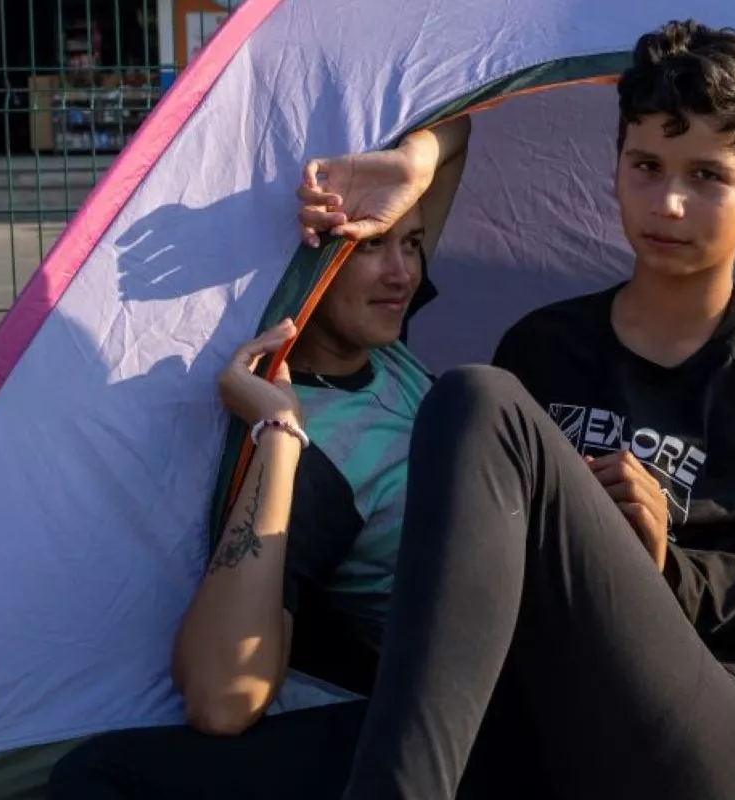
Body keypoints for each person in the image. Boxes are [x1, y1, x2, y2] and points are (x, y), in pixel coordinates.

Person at [289, 20, 735, 800]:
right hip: (548, 699)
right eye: (646, 166)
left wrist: (669, 568)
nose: (671, 204)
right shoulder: (545, 348)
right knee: (132, 768)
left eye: (708, 176)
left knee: (478, 397)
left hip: (711, 724)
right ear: (614, 170)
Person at [48, 193, 462, 798]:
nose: (402, 272)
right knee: (98, 776)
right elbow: (220, 702)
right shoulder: (322, 460)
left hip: (518, 667)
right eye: (370, 245)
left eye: (411, 243)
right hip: (464, 711)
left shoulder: (386, 350)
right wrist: (278, 433)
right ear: (302, 263)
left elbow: (457, 135)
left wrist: (405, 170)